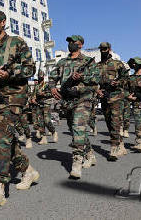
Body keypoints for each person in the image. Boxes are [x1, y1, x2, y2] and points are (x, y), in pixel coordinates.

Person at [0, 9, 39, 209]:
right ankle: (27, 171)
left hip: (12, 98)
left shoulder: (16, 43)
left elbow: (30, 68)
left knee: (2, 141)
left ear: (3, 22)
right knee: (7, 141)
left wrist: (10, 72)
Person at [49, 35, 99, 179]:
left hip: (84, 99)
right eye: (69, 42)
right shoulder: (63, 62)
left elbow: (96, 78)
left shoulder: (88, 61)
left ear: (81, 45)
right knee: (76, 130)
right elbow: (53, 77)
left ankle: (77, 163)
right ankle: (89, 154)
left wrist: (82, 77)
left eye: (73, 42)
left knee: (78, 127)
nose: (71, 44)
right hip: (67, 100)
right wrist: (52, 88)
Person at [96, 42, 129, 161]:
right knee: (109, 122)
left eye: (105, 49)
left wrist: (118, 82)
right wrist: (97, 90)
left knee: (115, 122)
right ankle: (120, 144)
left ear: (109, 49)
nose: (102, 51)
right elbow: (94, 81)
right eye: (101, 49)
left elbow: (126, 78)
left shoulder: (117, 64)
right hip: (104, 96)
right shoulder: (97, 66)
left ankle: (114, 147)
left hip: (116, 96)